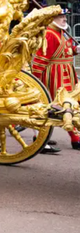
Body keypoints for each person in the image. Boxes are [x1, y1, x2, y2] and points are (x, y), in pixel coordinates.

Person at [32, 9, 80, 150]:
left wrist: (76, 49)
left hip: (66, 73)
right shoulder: (49, 34)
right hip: (54, 75)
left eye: (64, 16)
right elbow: (41, 59)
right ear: (52, 19)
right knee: (55, 107)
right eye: (60, 16)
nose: (64, 19)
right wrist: (36, 81)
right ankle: (41, 137)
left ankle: (75, 137)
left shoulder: (61, 32)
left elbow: (67, 50)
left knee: (70, 105)